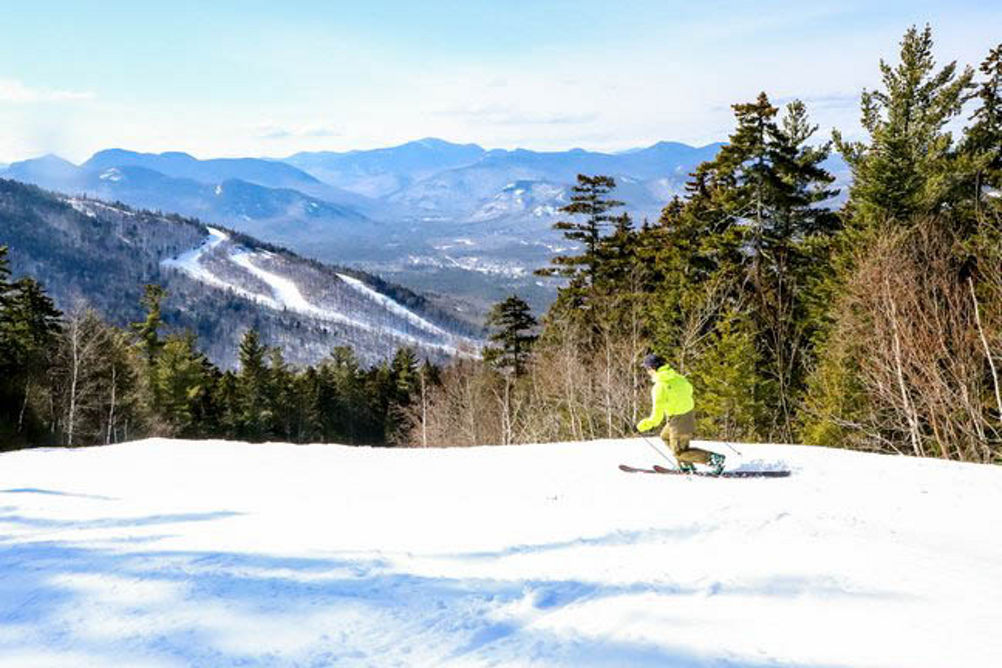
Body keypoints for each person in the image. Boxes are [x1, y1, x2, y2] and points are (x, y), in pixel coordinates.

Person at [636, 353, 725, 474]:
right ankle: (685, 465)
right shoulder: (678, 377)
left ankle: (714, 459)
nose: (647, 372)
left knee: (679, 452)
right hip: (686, 414)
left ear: (652, 368)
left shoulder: (659, 387)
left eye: (647, 369)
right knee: (665, 436)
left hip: (679, 419)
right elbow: (689, 390)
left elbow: (656, 417)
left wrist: (641, 426)